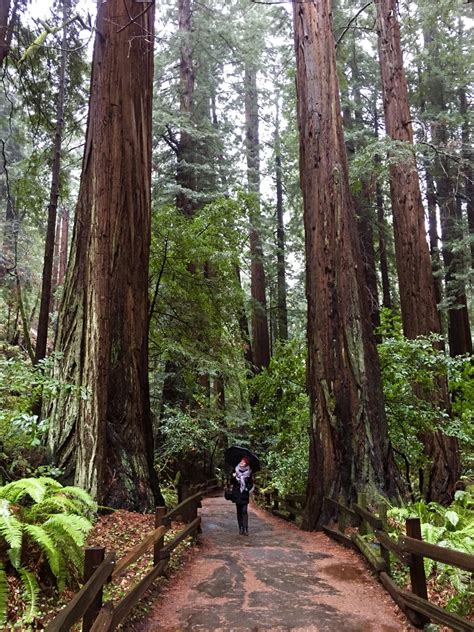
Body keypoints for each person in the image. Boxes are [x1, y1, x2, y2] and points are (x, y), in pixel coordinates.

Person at [232, 456, 252, 535]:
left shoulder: (249, 472)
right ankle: (240, 528)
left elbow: (251, 483)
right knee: (239, 511)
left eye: (243, 462)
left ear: (246, 463)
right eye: (241, 461)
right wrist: (233, 477)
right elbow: (231, 482)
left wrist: (247, 488)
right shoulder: (236, 470)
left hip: (244, 494)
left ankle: (246, 528)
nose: (242, 462)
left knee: (244, 511)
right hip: (237, 494)